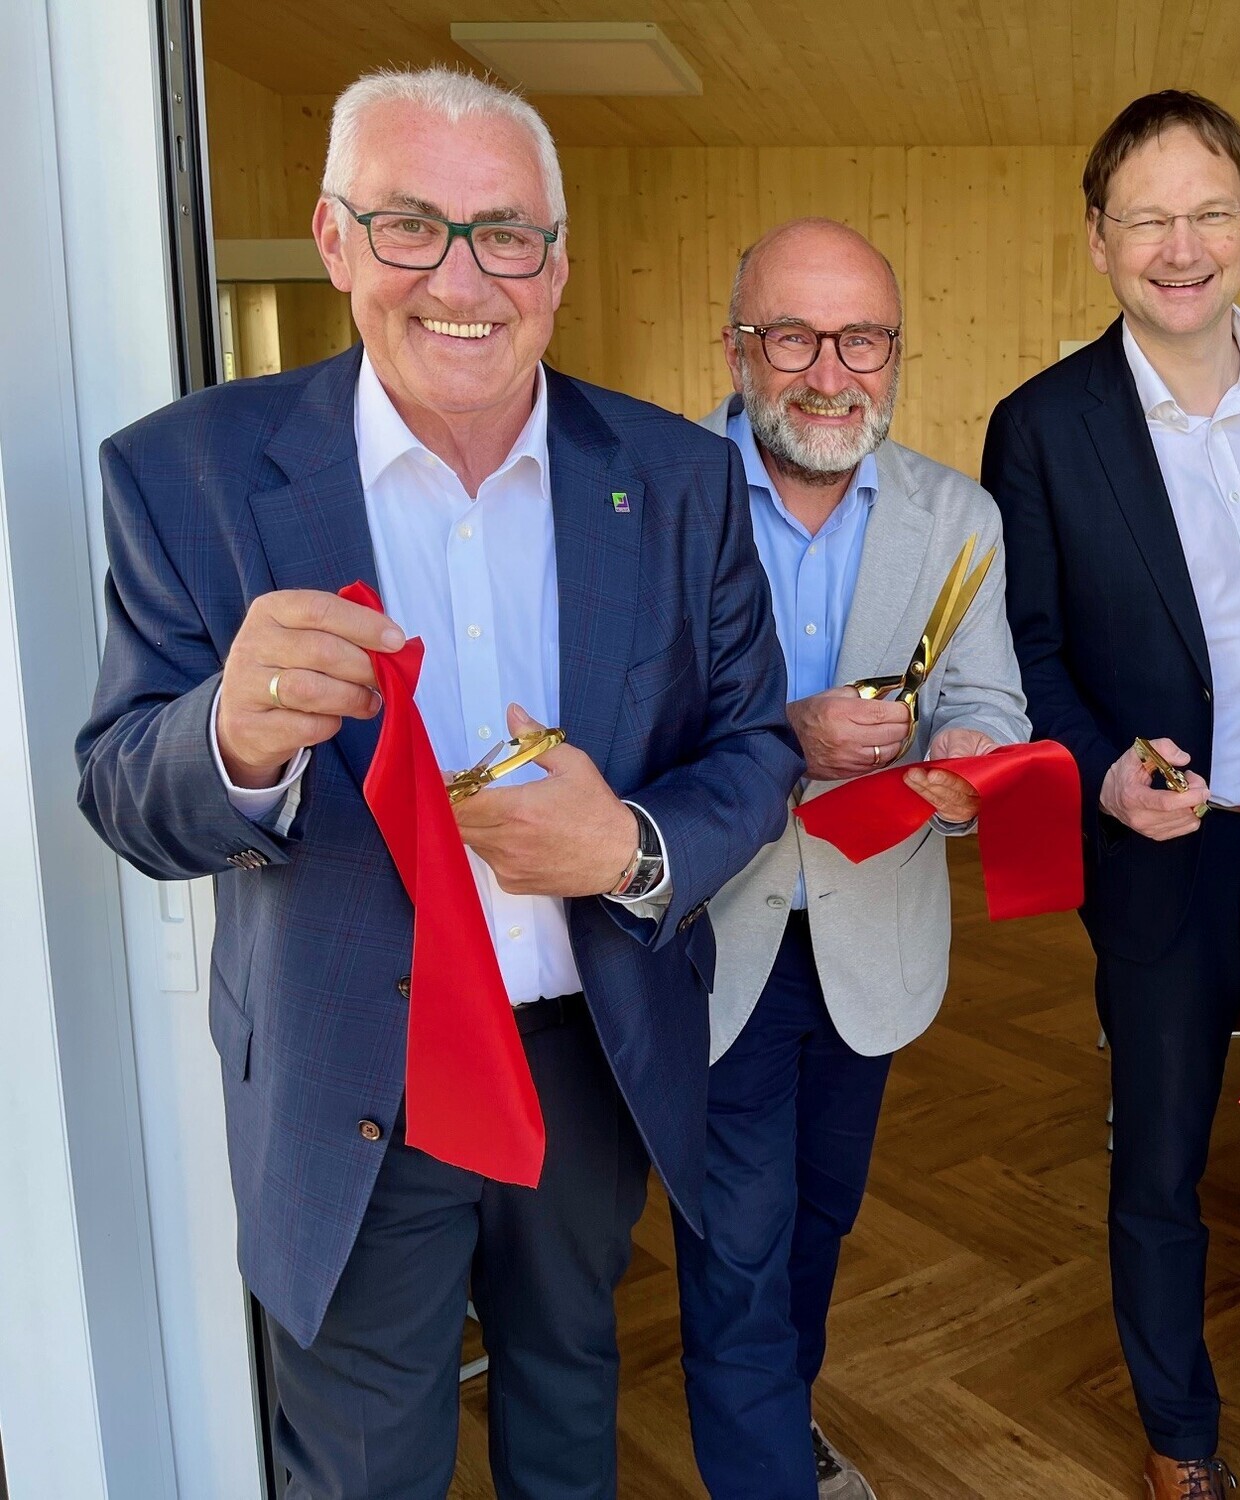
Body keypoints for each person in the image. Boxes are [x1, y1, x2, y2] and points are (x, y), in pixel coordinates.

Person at [74, 67, 800, 1498]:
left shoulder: (676, 478)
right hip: (351, 1064)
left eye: (506, 234)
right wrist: (232, 738)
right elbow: (122, 789)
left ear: (558, 265)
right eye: (410, 225)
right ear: (334, 240)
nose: (462, 279)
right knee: (364, 1467)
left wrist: (630, 848)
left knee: (568, 1414)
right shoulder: (186, 474)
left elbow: (758, 747)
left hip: (585, 1059)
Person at [983, 91, 1240, 1500]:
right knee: (1160, 1158)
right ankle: (1180, 1437)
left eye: (1209, 213)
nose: (1182, 247)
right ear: (1097, 238)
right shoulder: (1042, 426)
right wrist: (1101, 769)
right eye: (1148, 218)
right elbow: (1027, 647)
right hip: (1165, 851)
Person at [678, 218, 1031, 1500]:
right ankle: (767, 1471)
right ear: (736, 348)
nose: (830, 373)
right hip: (705, 933)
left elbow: (989, 699)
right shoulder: (659, 494)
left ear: (895, 352)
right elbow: (613, 728)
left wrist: (968, 763)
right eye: (793, 337)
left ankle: (781, 1416)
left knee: (817, 1216)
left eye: (863, 340)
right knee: (738, 1240)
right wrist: (789, 734)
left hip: (871, 937)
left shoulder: (958, 515)